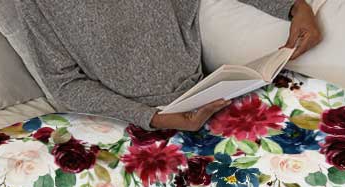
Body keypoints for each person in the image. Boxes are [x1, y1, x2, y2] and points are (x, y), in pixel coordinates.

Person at [18, 0, 321, 132]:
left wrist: (296, 7)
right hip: (124, 123)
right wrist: (153, 118)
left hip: (206, 97)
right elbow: (64, 84)